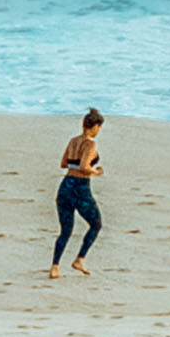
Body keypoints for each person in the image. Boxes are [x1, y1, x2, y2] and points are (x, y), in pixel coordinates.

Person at [51, 110, 103, 274]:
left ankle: (55, 267)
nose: (99, 131)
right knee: (96, 224)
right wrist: (96, 172)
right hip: (80, 188)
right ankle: (80, 259)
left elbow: (63, 163)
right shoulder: (90, 143)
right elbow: (84, 167)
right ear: (95, 126)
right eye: (99, 127)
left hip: (65, 186)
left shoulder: (73, 141)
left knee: (65, 231)